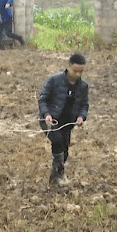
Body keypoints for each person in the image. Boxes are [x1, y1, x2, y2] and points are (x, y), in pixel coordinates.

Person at [38, 53, 89, 187]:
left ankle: (56, 175)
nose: (78, 74)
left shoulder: (83, 86)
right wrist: (46, 114)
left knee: (65, 148)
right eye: (75, 71)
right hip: (49, 120)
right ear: (68, 66)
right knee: (58, 142)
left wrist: (81, 117)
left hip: (67, 123)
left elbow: (84, 105)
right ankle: (58, 175)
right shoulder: (54, 80)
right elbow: (43, 99)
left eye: (81, 71)